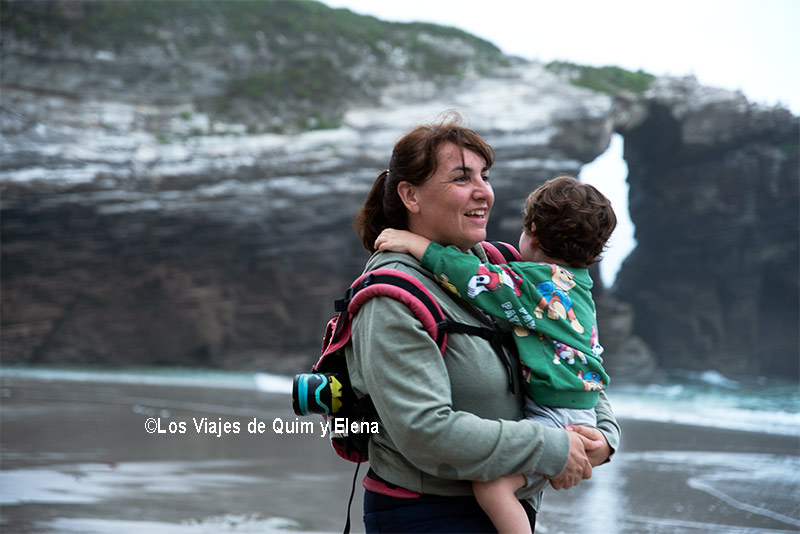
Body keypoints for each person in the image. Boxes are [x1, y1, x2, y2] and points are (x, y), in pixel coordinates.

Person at [347, 113, 620, 533]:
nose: (483, 193)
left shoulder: (507, 270)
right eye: (461, 178)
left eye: (485, 176)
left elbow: (572, 352)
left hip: (505, 506)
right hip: (430, 515)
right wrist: (553, 446)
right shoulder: (390, 297)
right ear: (411, 195)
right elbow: (424, 432)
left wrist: (601, 437)